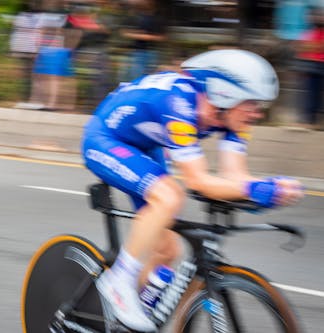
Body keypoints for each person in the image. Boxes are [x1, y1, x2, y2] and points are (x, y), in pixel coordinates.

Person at [81, 49, 304, 331]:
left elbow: (234, 178)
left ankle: (130, 320)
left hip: (145, 146)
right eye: (253, 103)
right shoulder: (179, 103)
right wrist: (261, 190)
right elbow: (198, 181)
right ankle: (118, 282)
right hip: (104, 138)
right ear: (225, 93)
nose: (258, 113)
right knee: (170, 194)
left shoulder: (232, 117)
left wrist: (268, 193)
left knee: (167, 250)